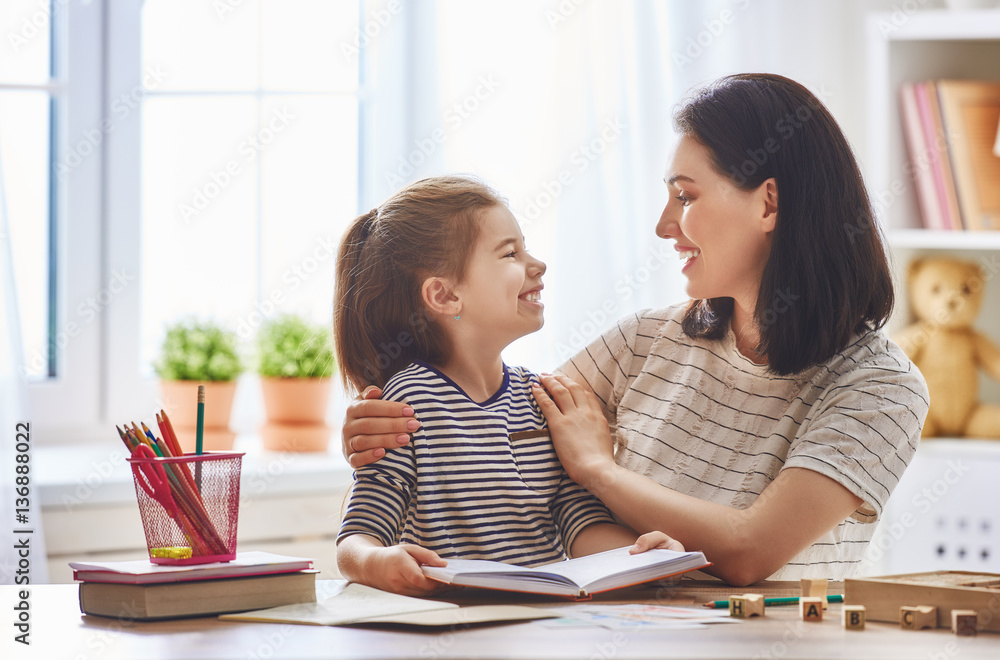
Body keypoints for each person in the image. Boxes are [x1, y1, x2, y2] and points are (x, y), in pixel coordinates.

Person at [339, 74, 930, 587]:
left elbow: (749, 551)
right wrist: (377, 432)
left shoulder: (879, 387)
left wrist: (601, 472)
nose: (662, 225)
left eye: (684, 196)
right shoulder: (641, 342)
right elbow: (477, 426)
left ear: (768, 204)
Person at [333, 175, 679, 596]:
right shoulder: (409, 402)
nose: (537, 265)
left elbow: (578, 523)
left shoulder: (538, 399)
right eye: (510, 253)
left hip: (535, 624)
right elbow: (357, 539)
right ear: (444, 296)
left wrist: (643, 556)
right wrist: (378, 562)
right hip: (452, 629)